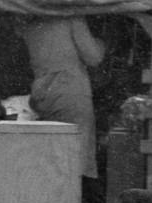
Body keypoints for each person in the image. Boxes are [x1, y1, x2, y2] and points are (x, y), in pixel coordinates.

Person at [18, 16, 105, 179]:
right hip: (69, 90)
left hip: (42, 90)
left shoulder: (32, 20)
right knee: (77, 155)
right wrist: (102, 43)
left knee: (53, 153)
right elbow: (94, 57)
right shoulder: (72, 17)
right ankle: (72, 200)